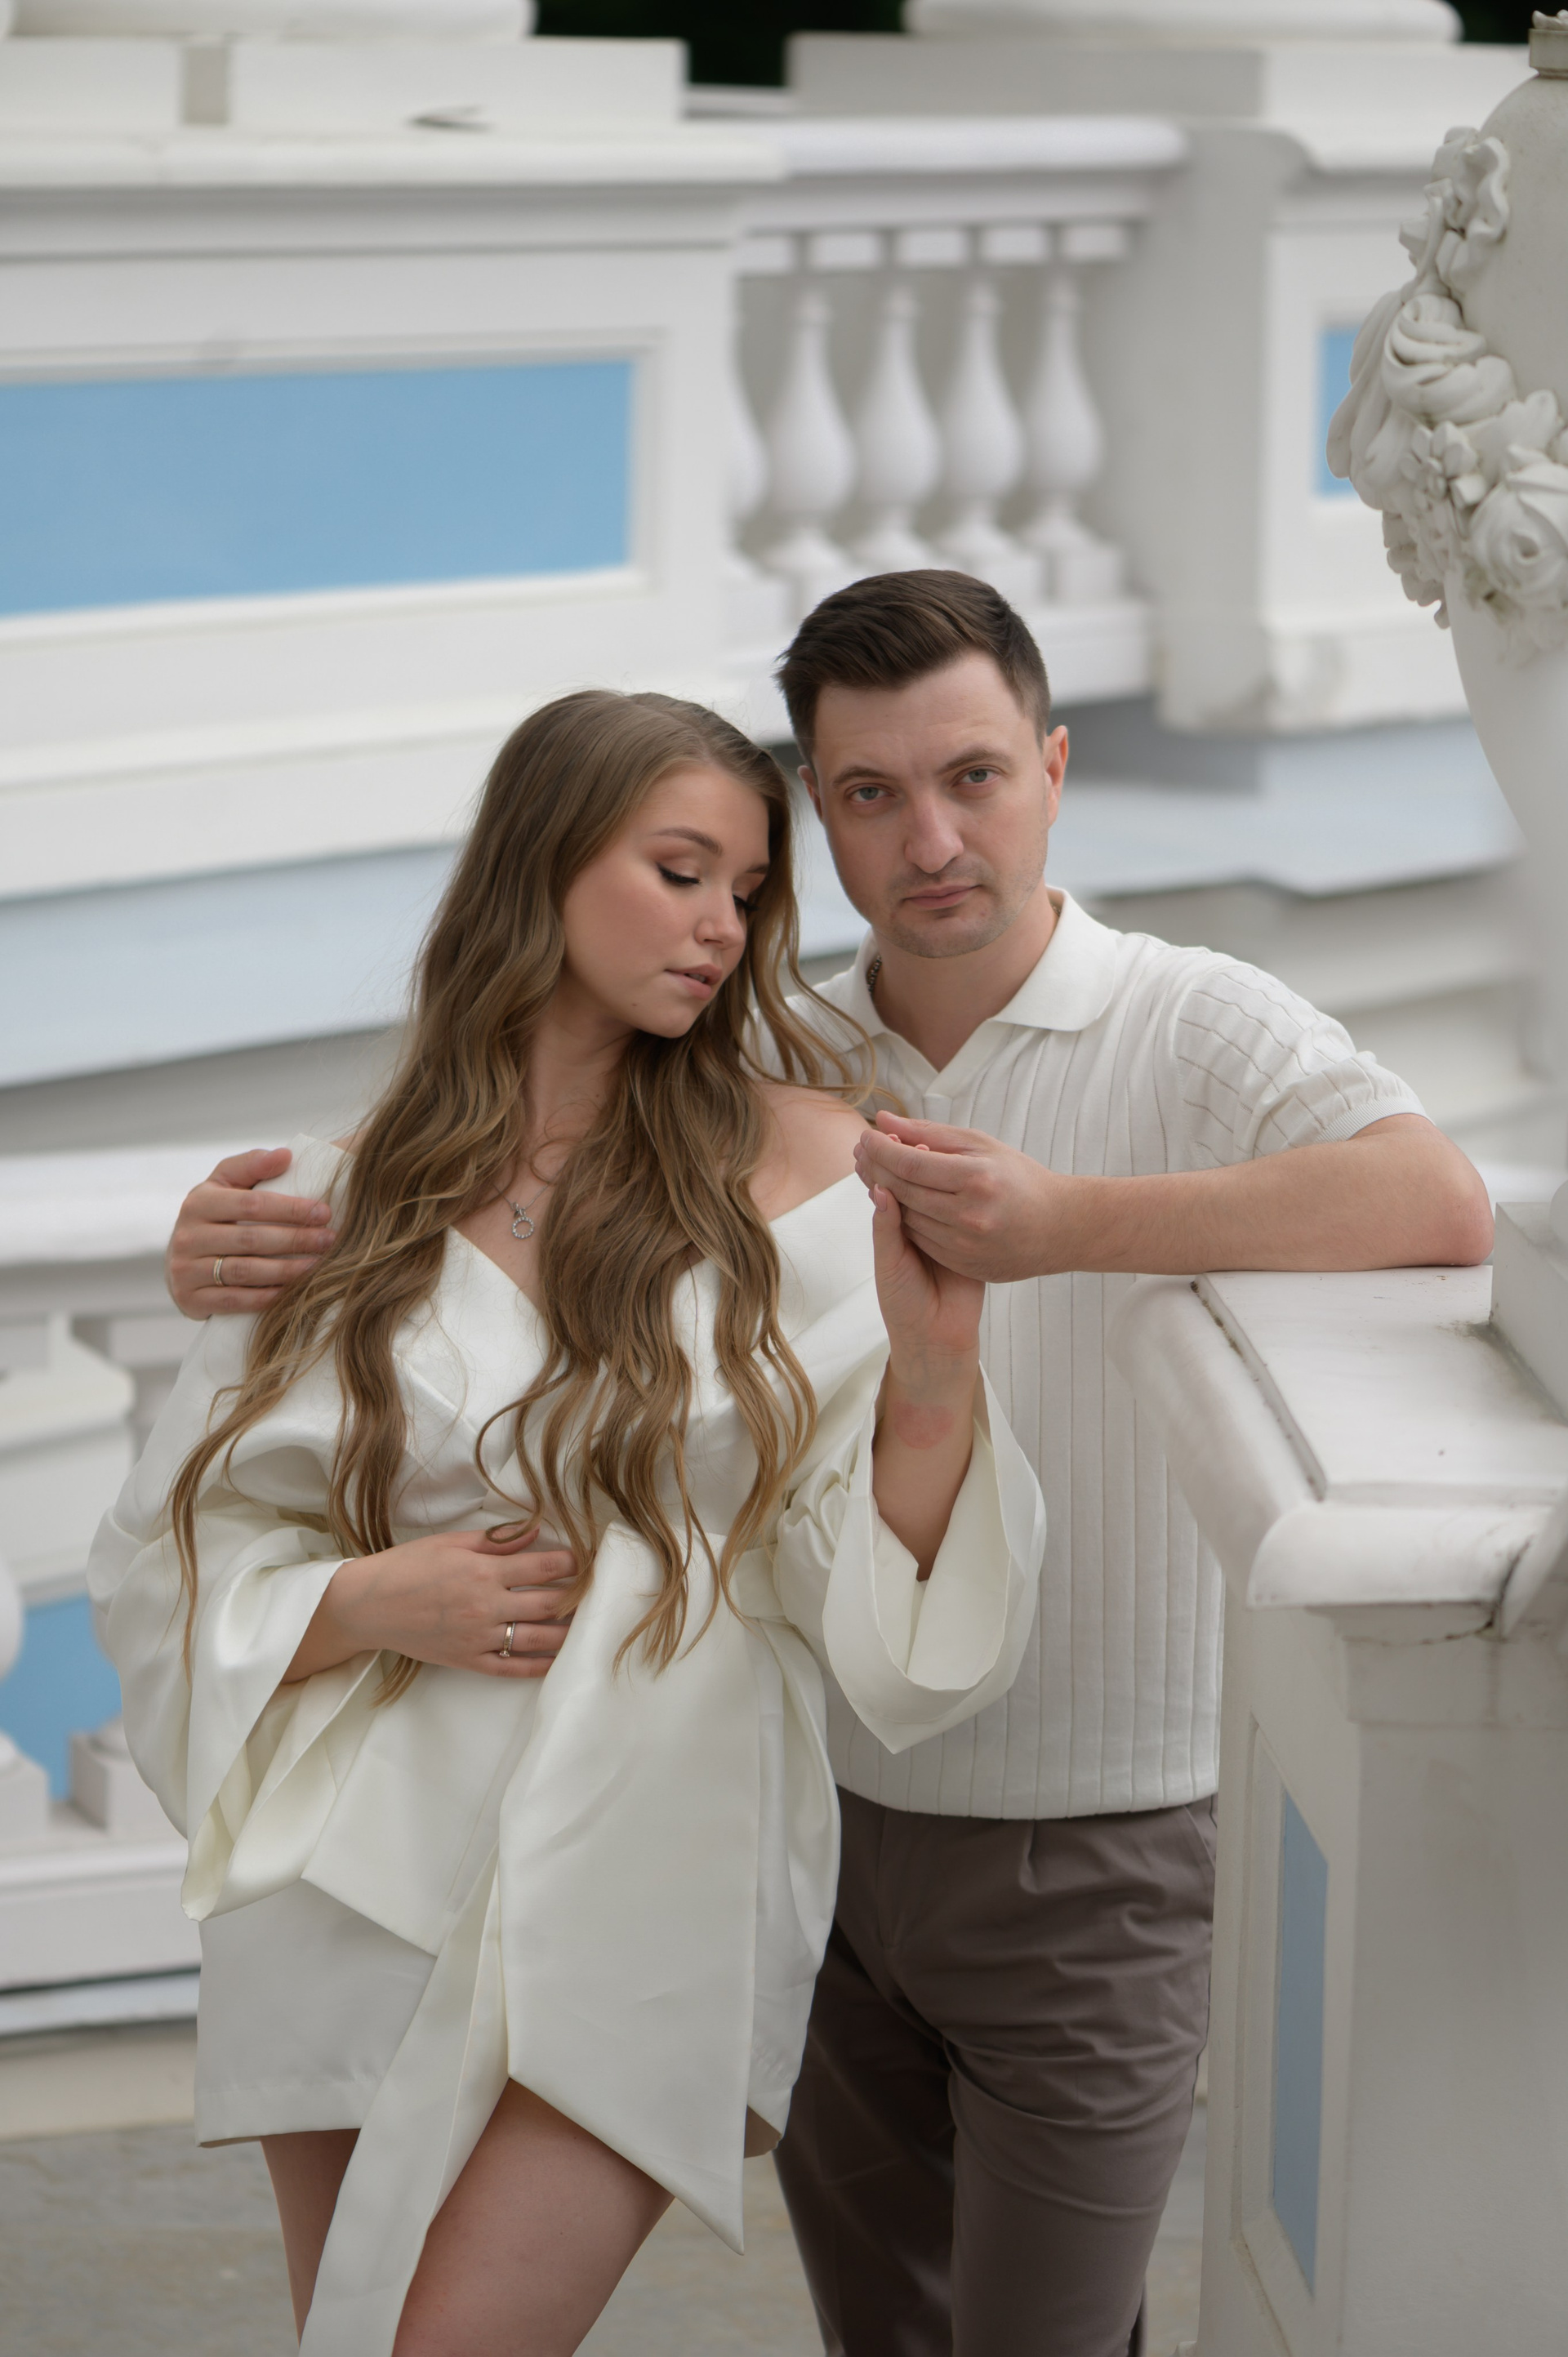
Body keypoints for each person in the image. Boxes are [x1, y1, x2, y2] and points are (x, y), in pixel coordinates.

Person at [166, 575, 1494, 2357]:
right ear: (825, 818)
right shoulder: (761, 1053)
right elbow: (361, 1383)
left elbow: (1436, 1201)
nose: (929, 838)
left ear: (1053, 767)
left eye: (974, 777)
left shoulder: (1179, 1024)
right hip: (802, 1817)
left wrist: (1056, 1231)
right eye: (869, 795)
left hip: (1080, 1827)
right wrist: (230, 1269)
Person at [97, 687, 1045, 2357]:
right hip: (355, 1865)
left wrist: (937, 1373)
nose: (719, 926)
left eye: (745, 891)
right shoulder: (339, 1202)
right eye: (679, 872)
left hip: (651, 1855)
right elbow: (175, 1551)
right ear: (542, 864)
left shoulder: (818, 1183)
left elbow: (866, 1577)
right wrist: (368, 1602)